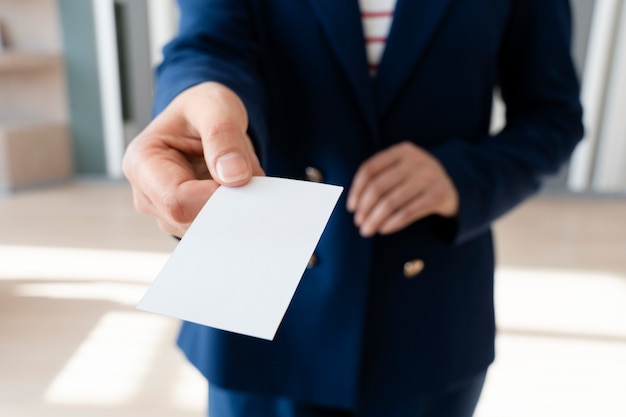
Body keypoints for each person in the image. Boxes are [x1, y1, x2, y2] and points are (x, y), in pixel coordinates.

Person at [122, 0, 584, 416]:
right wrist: (198, 97)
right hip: (261, 291)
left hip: (425, 311)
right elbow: (207, 45)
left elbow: (552, 115)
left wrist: (464, 176)